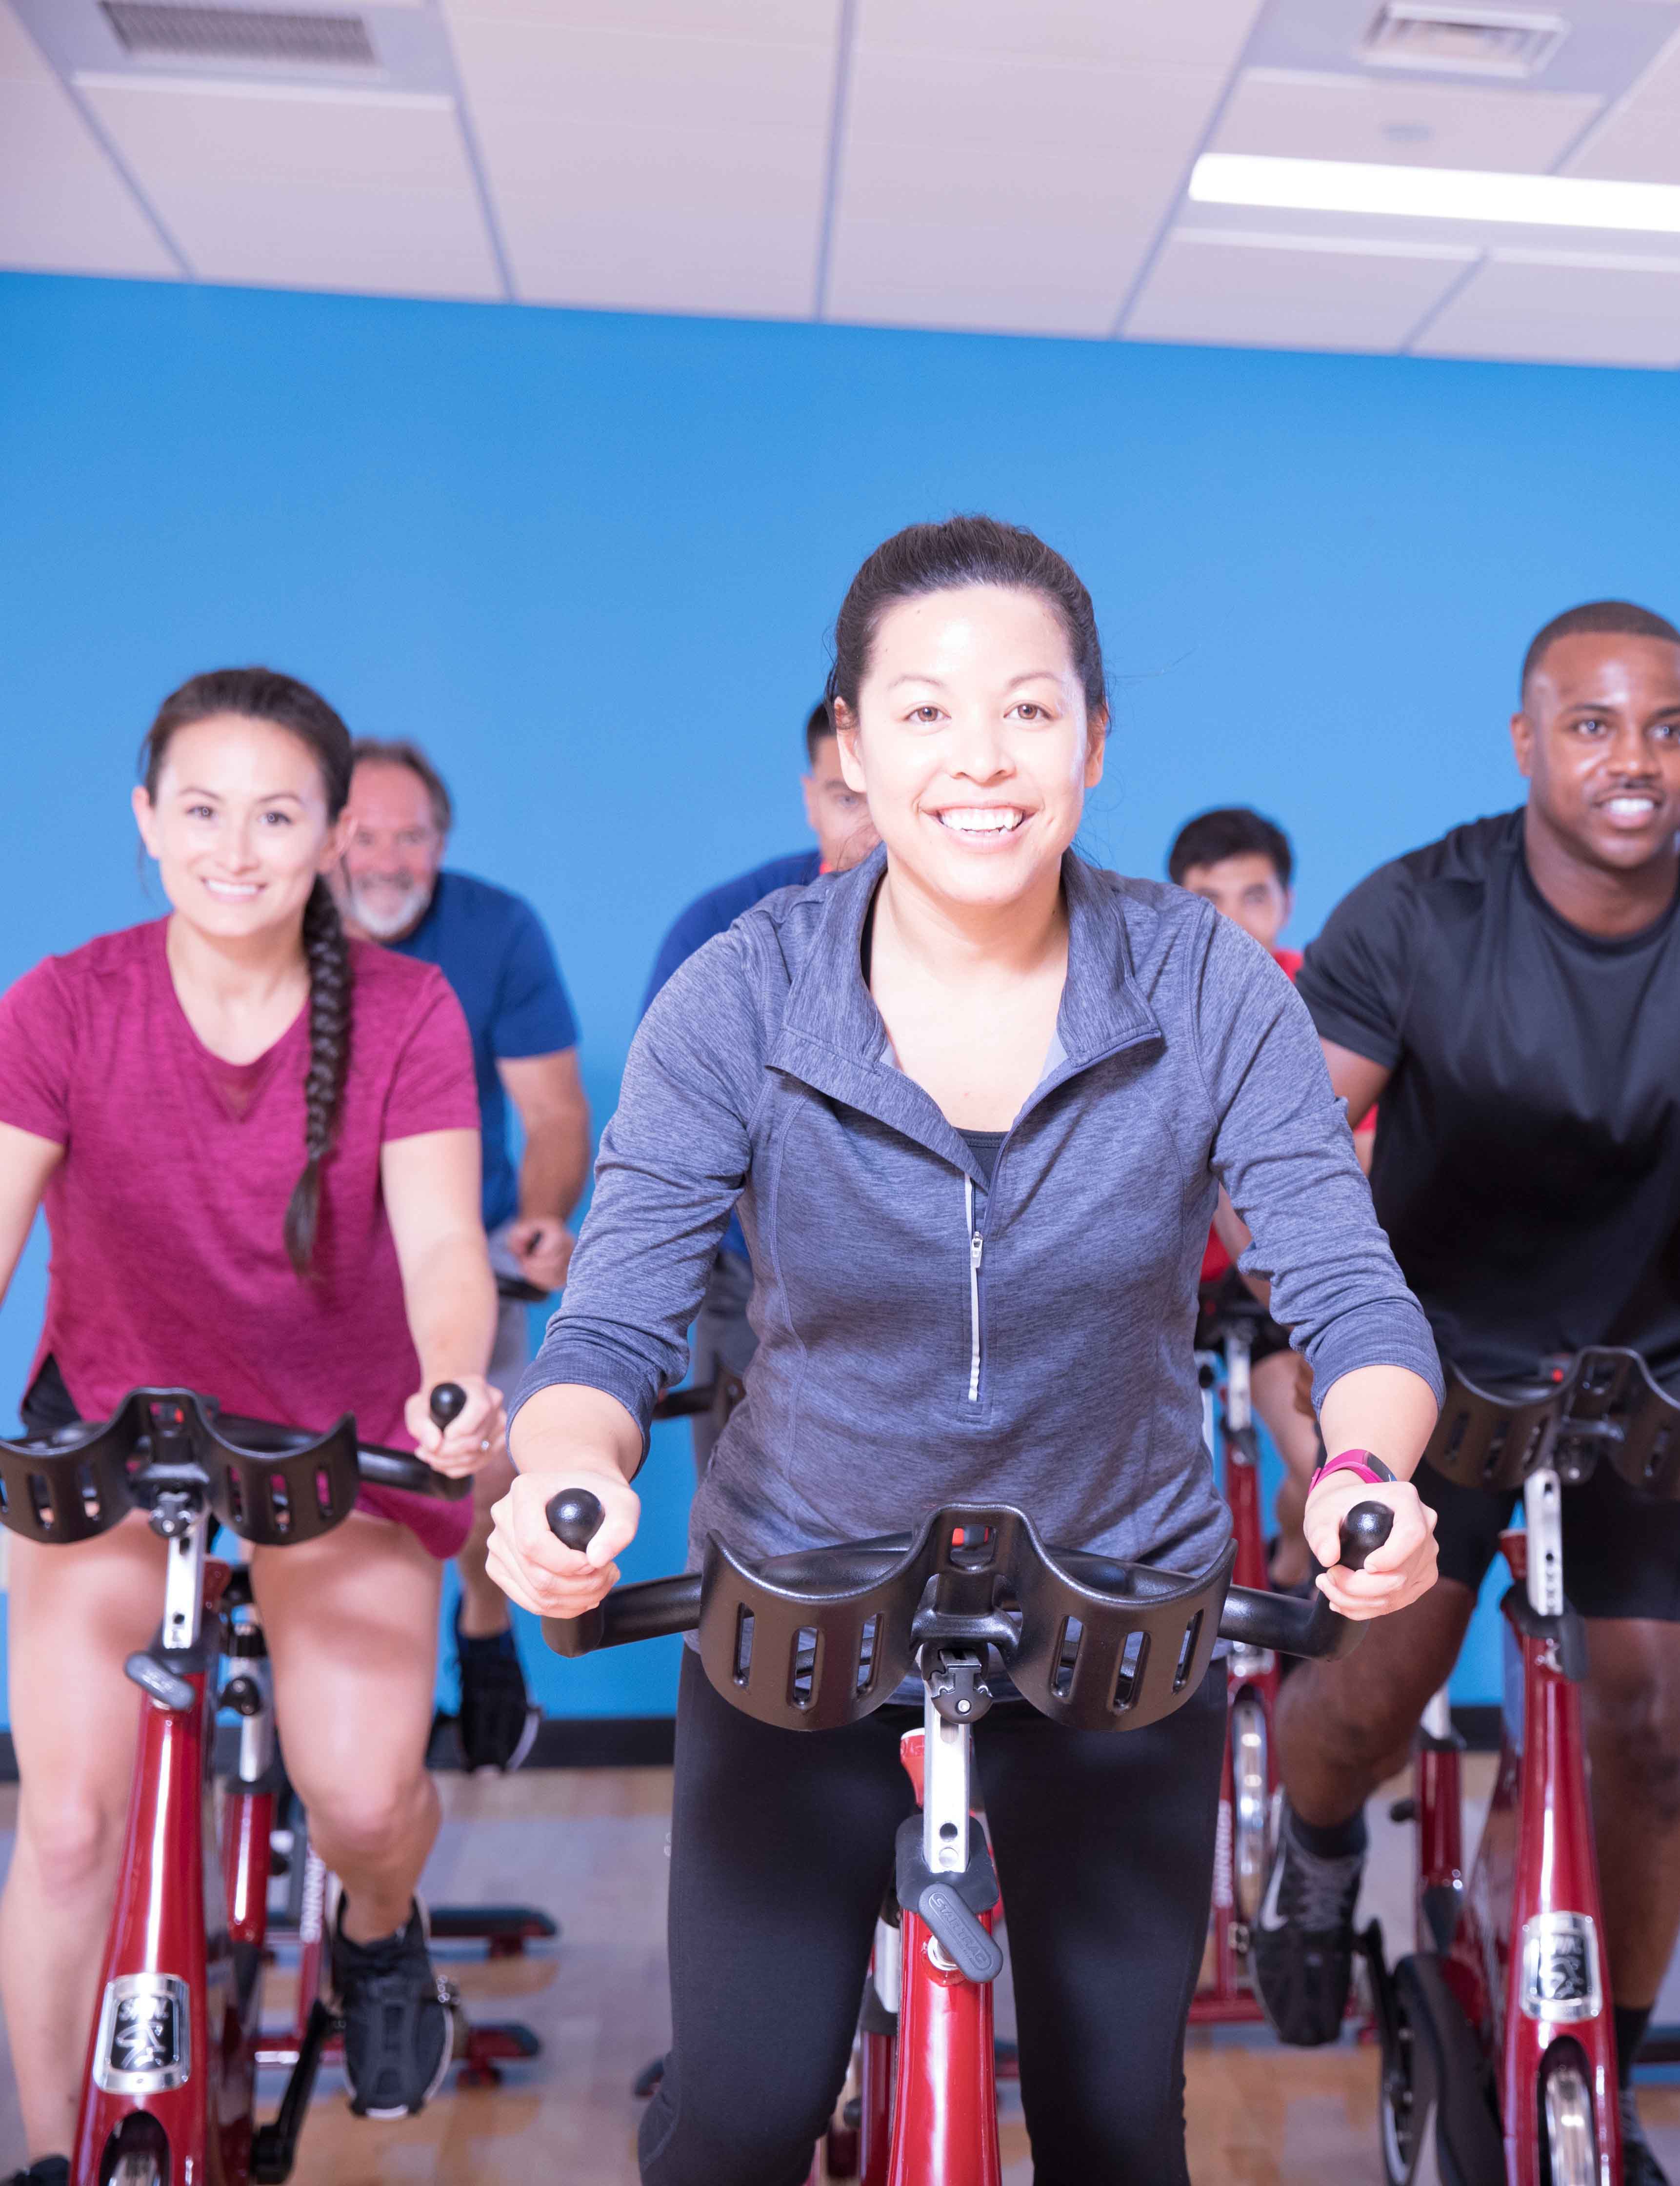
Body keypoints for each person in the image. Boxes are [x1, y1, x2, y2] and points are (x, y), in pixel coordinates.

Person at [483, 517, 1444, 2186]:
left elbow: (1349, 1293)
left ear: (1094, 741)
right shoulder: (742, 994)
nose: (981, 759)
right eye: (924, 711)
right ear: (852, 745)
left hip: (1119, 1618)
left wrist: (1365, 1472)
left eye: (1029, 710)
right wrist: (565, 1477)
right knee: (739, 2124)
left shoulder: (1208, 985)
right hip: (800, 1613)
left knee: (1118, 2135)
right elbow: (619, 1319)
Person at [1249, 604, 1680, 2185]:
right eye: (1595, 725)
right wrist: (1313, 1333)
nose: (1635, 759)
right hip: (1429, 1364)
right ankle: (1315, 1843)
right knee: (1372, 1696)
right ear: (1528, 741)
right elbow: (1283, 1146)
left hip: (1652, 1372)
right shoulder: (1420, 912)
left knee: (1651, 1729)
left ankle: (1592, 2077)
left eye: (1668, 728)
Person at [0, 669, 507, 2164]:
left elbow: (442, 1247)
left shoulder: (409, 1012)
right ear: (147, 820)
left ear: (333, 835)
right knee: (68, 1825)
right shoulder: (64, 1003)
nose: (236, 850)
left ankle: (379, 1928)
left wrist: (454, 1379)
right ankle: (51, 2154)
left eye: (278, 817)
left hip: (334, 1446)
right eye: (203, 811)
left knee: (363, 1798)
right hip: (115, 1437)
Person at [331, 736, 589, 1772]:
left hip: (463, 1236)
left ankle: (482, 1621)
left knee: (481, 1462)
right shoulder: (273, 930)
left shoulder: (495, 930)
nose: (388, 860)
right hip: (322, 1254)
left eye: (412, 837)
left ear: (442, 842)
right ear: (325, 838)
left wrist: (539, 1216)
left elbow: (553, 1111)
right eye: (365, 835)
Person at [640, 699, 882, 1469]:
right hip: (755, 1272)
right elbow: (668, 1151)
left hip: (943, 1287)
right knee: (747, 1508)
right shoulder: (723, 933)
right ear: (811, 798)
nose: (875, 829)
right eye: (847, 800)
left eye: (889, 797)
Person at [1169, 805, 1334, 1582]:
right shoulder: (1140, 1000)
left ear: (1287, 904)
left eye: (1254, 897)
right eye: (1208, 901)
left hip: (1268, 1281)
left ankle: (1290, 1572)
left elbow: (1358, 1162)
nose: (1233, 922)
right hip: (1157, 1285)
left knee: (1328, 1470)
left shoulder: (1324, 1004)